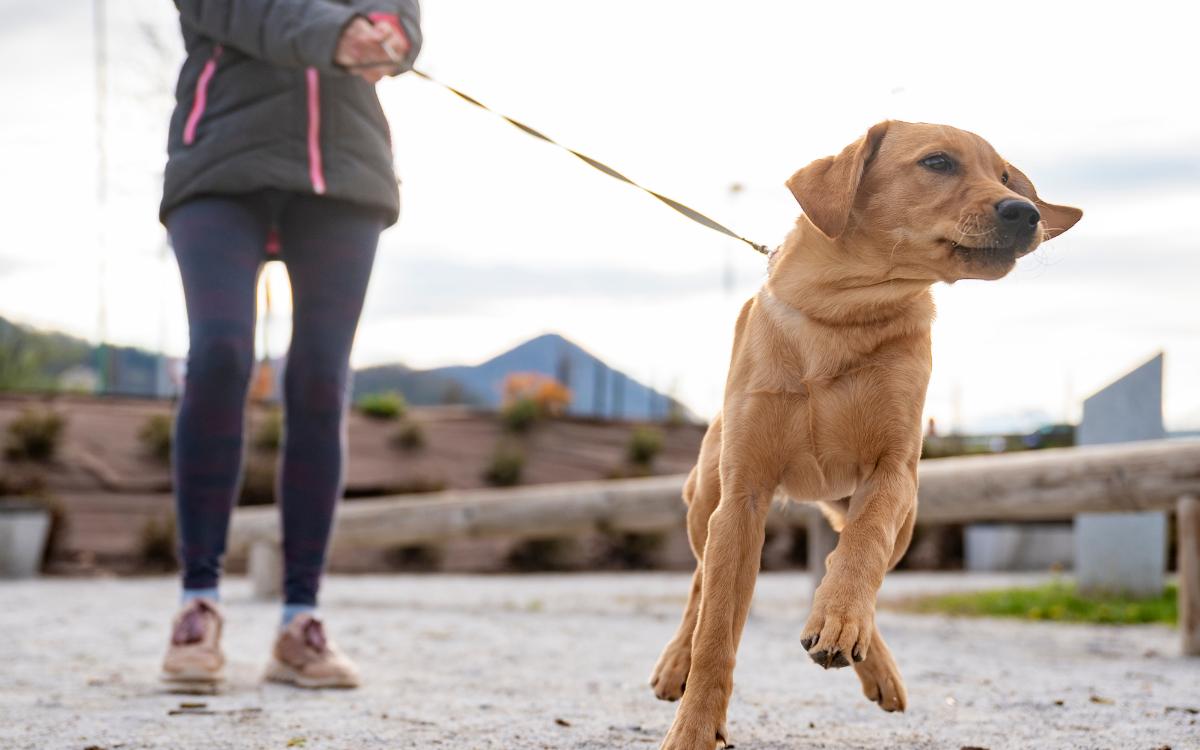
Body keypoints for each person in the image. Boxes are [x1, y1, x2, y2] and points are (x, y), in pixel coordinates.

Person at [158, 0, 422, 689]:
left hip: (346, 171)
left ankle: (299, 620)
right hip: (220, 157)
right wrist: (336, 35)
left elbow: (401, 22)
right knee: (219, 354)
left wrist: (389, 36)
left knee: (321, 378)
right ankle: (198, 602)